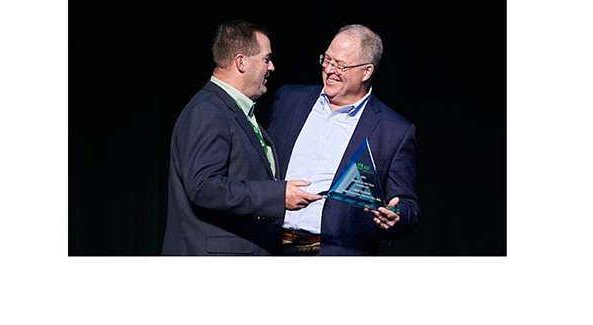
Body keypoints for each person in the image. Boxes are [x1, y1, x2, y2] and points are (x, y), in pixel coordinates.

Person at [162, 20, 322, 256]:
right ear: (241, 62)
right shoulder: (208, 111)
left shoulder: (236, 110)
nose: (272, 67)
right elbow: (204, 187)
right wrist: (278, 195)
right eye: (266, 59)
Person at [267, 24, 420, 255]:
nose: (329, 69)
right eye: (327, 59)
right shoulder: (289, 99)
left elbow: (407, 205)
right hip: (268, 246)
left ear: (367, 72)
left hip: (333, 252)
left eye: (341, 65)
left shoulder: (394, 131)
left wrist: (396, 217)